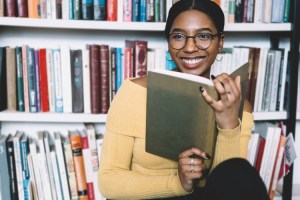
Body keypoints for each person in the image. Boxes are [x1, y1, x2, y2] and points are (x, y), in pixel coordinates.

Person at [98, 0, 269, 199]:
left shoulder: (237, 103)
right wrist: (178, 182)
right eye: (178, 36)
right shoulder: (134, 92)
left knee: (241, 174)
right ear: (168, 43)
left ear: (220, 42)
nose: (189, 48)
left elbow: (229, 187)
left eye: (203, 36)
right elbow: (108, 181)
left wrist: (228, 124)